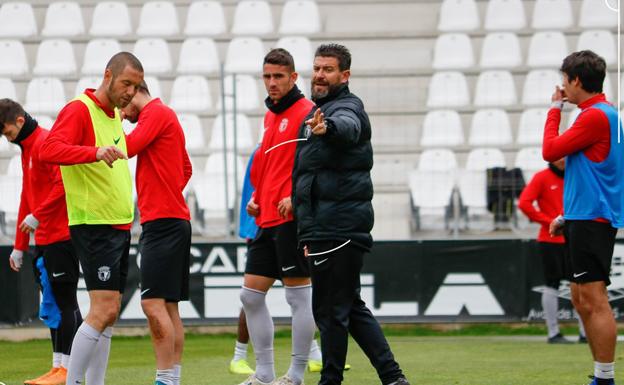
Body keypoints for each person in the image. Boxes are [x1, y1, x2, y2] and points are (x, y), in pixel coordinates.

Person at [292, 43, 409, 385]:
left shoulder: (345, 109)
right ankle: (393, 378)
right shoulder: (316, 114)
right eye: (317, 68)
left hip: (337, 227)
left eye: (328, 69)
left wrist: (327, 127)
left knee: (330, 312)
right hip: (325, 226)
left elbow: (347, 128)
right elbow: (308, 175)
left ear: (345, 75)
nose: (320, 75)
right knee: (349, 307)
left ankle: (331, 381)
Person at [40, 52, 144, 385]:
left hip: (118, 224)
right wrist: (93, 152)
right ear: (108, 75)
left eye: (136, 86)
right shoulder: (78, 110)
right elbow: (48, 150)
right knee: (102, 311)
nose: (130, 92)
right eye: (126, 83)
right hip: (94, 224)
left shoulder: (113, 113)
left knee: (109, 314)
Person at [544, 50, 623, 385]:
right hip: (583, 216)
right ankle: (599, 375)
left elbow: (550, 152)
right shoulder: (597, 115)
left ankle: (605, 378)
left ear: (576, 80)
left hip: (593, 220)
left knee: (593, 299)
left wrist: (553, 109)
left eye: (565, 79)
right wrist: (567, 213)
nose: (562, 86)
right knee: (580, 298)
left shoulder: (596, 115)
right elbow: (581, 168)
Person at [238, 48, 316, 385]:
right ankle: (265, 373)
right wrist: (256, 197)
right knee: (250, 296)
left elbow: (315, 165)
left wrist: (296, 199)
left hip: (291, 221)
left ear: (294, 78)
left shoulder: (308, 113)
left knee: (298, 297)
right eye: (267, 77)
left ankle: (296, 373)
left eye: (278, 76)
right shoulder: (271, 115)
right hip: (266, 218)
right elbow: (268, 165)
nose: (271, 83)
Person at [1, 99, 82, 385]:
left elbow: (64, 185)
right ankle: (58, 366)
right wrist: (20, 245)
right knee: (55, 304)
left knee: (66, 304)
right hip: (45, 239)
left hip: (62, 236)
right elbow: (27, 195)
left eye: (8, 133)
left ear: (20, 122)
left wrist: (39, 215)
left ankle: (69, 369)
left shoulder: (46, 143)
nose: (8, 139)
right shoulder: (27, 149)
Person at [120, 81, 192, 385]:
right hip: (172, 219)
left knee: (151, 303)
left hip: (163, 222)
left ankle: (164, 379)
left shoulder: (154, 113)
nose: (123, 112)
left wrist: (112, 122)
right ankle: (171, 378)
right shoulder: (165, 115)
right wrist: (166, 191)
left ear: (135, 90)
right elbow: (186, 168)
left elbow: (127, 147)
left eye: (124, 104)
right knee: (167, 304)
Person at [518, 159, 586, 344]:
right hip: (550, 240)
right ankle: (553, 333)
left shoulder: (578, 176)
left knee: (581, 284)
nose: (562, 160)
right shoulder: (541, 177)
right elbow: (524, 203)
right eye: (558, 156)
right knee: (552, 284)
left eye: (565, 156)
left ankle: (585, 333)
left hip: (576, 238)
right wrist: (549, 221)